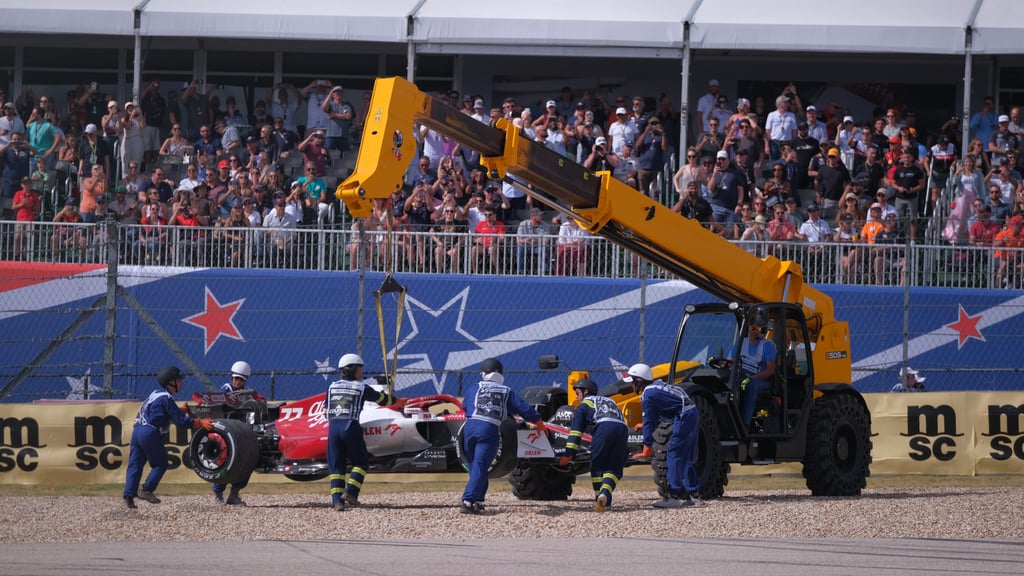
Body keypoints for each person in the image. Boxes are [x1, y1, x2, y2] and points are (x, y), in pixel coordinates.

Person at [460, 357, 546, 515]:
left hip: (469, 428)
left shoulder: (474, 387)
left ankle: (478, 500)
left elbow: (464, 406)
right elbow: (523, 409)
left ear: (483, 373)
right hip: (488, 428)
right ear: (500, 373)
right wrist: (539, 422)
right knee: (481, 465)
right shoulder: (505, 391)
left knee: (476, 466)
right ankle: (468, 500)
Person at [122, 366, 212, 509]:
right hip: (149, 432)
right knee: (161, 464)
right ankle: (147, 490)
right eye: (179, 380)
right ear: (171, 382)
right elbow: (182, 422)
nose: (181, 383)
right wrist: (201, 422)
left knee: (135, 464)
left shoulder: (155, 394)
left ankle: (129, 496)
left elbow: (160, 413)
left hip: (137, 431)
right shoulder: (167, 398)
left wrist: (178, 411)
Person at [325, 354, 398, 511]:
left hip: (332, 428)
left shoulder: (332, 387)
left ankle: (337, 501)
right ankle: (351, 492)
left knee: (336, 467)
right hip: (350, 426)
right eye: (360, 369)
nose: (361, 373)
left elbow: (326, 410)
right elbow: (384, 401)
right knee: (361, 462)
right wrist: (395, 398)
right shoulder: (361, 387)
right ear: (352, 369)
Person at [626, 363, 701, 509]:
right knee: (683, 456)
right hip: (691, 413)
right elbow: (656, 415)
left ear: (639, 381)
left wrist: (646, 449)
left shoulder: (648, 394)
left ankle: (673, 497)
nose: (631, 386)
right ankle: (695, 495)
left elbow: (649, 422)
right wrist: (646, 424)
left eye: (633, 382)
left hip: (684, 416)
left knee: (673, 454)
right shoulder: (657, 386)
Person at [558, 378, 628, 513]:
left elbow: (576, 432)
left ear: (586, 392)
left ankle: (599, 499)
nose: (577, 397)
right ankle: (605, 495)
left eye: (578, 393)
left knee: (598, 464)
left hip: (604, 427)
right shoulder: (611, 401)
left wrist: (569, 454)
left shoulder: (584, 405)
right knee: (614, 466)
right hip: (622, 429)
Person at [211, 360, 256, 505]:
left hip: (241, 434)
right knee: (224, 462)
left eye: (240, 379)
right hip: (226, 433)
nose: (237, 381)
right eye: (235, 378)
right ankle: (218, 494)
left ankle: (234, 494)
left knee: (245, 463)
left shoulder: (248, 393)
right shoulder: (225, 390)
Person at [729, 312, 777, 427]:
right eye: (752, 327)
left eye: (757, 327)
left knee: (752, 385)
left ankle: (745, 423)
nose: (754, 330)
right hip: (740, 374)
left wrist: (751, 378)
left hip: (760, 379)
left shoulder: (768, 346)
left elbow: (770, 370)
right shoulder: (740, 343)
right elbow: (730, 361)